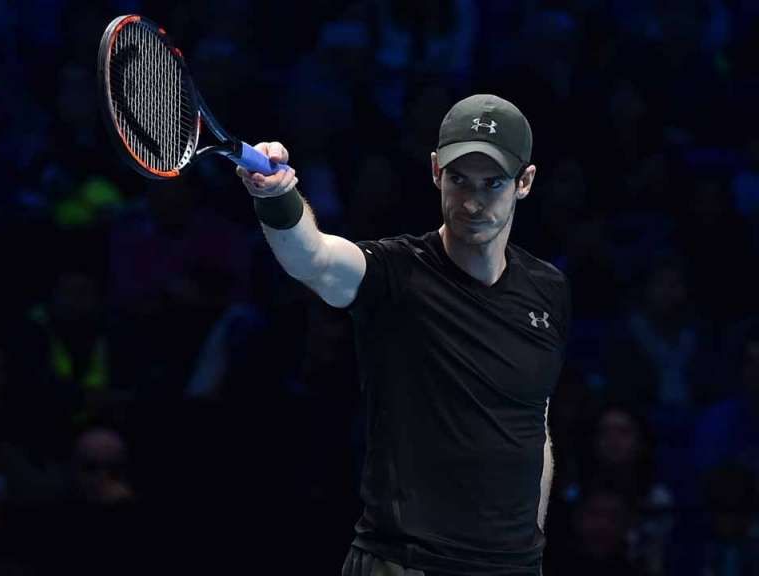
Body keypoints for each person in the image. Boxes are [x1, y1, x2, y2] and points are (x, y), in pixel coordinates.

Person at [237, 94, 570, 575]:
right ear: (436, 170)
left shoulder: (549, 290)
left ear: (525, 183)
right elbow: (315, 258)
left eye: (492, 183)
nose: (472, 202)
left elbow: (533, 423)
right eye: (458, 179)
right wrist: (274, 195)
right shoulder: (394, 273)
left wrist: (528, 549)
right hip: (404, 564)